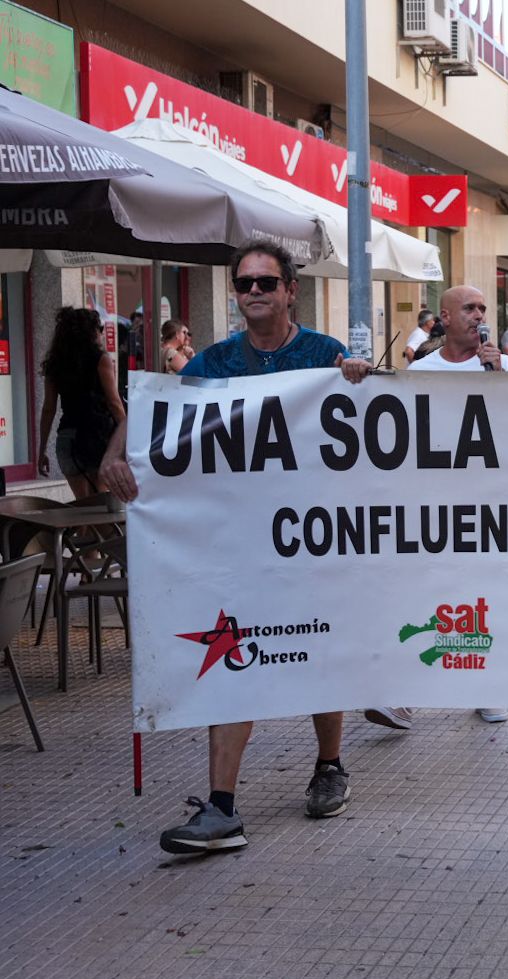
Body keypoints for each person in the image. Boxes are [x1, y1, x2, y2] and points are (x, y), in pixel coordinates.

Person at [96, 239, 372, 854]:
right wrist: (114, 454)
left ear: (289, 290)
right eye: (243, 284)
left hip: (311, 537)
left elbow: (370, 418)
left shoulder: (324, 353)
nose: (253, 293)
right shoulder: (216, 361)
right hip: (236, 544)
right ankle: (221, 808)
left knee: (317, 650)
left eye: (265, 283)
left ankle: (329, 765)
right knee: (230, 658)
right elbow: (154, 411)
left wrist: (357, 378)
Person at [368, 286, 508, 728]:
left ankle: (486, 686)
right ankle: (404, 693)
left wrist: (498, 378)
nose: (479, 315)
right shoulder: (421, 370)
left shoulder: (505, 367)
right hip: (434, 501)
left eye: (483, 309)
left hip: (491, 502)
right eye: (469, 308)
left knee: (481, 597)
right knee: (428, 593)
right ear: (445, 318)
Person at [38, 308, 128, 498]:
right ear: (91, 332)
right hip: (96, 437)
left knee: (82, 505)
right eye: (100, 329)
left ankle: (81, 530)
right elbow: (114, 403)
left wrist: (42, 449)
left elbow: (48, 409)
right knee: (100, 505)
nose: (102, 334)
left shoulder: (55, 364)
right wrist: (128, 434)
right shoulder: (101, 360)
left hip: (67, 440)